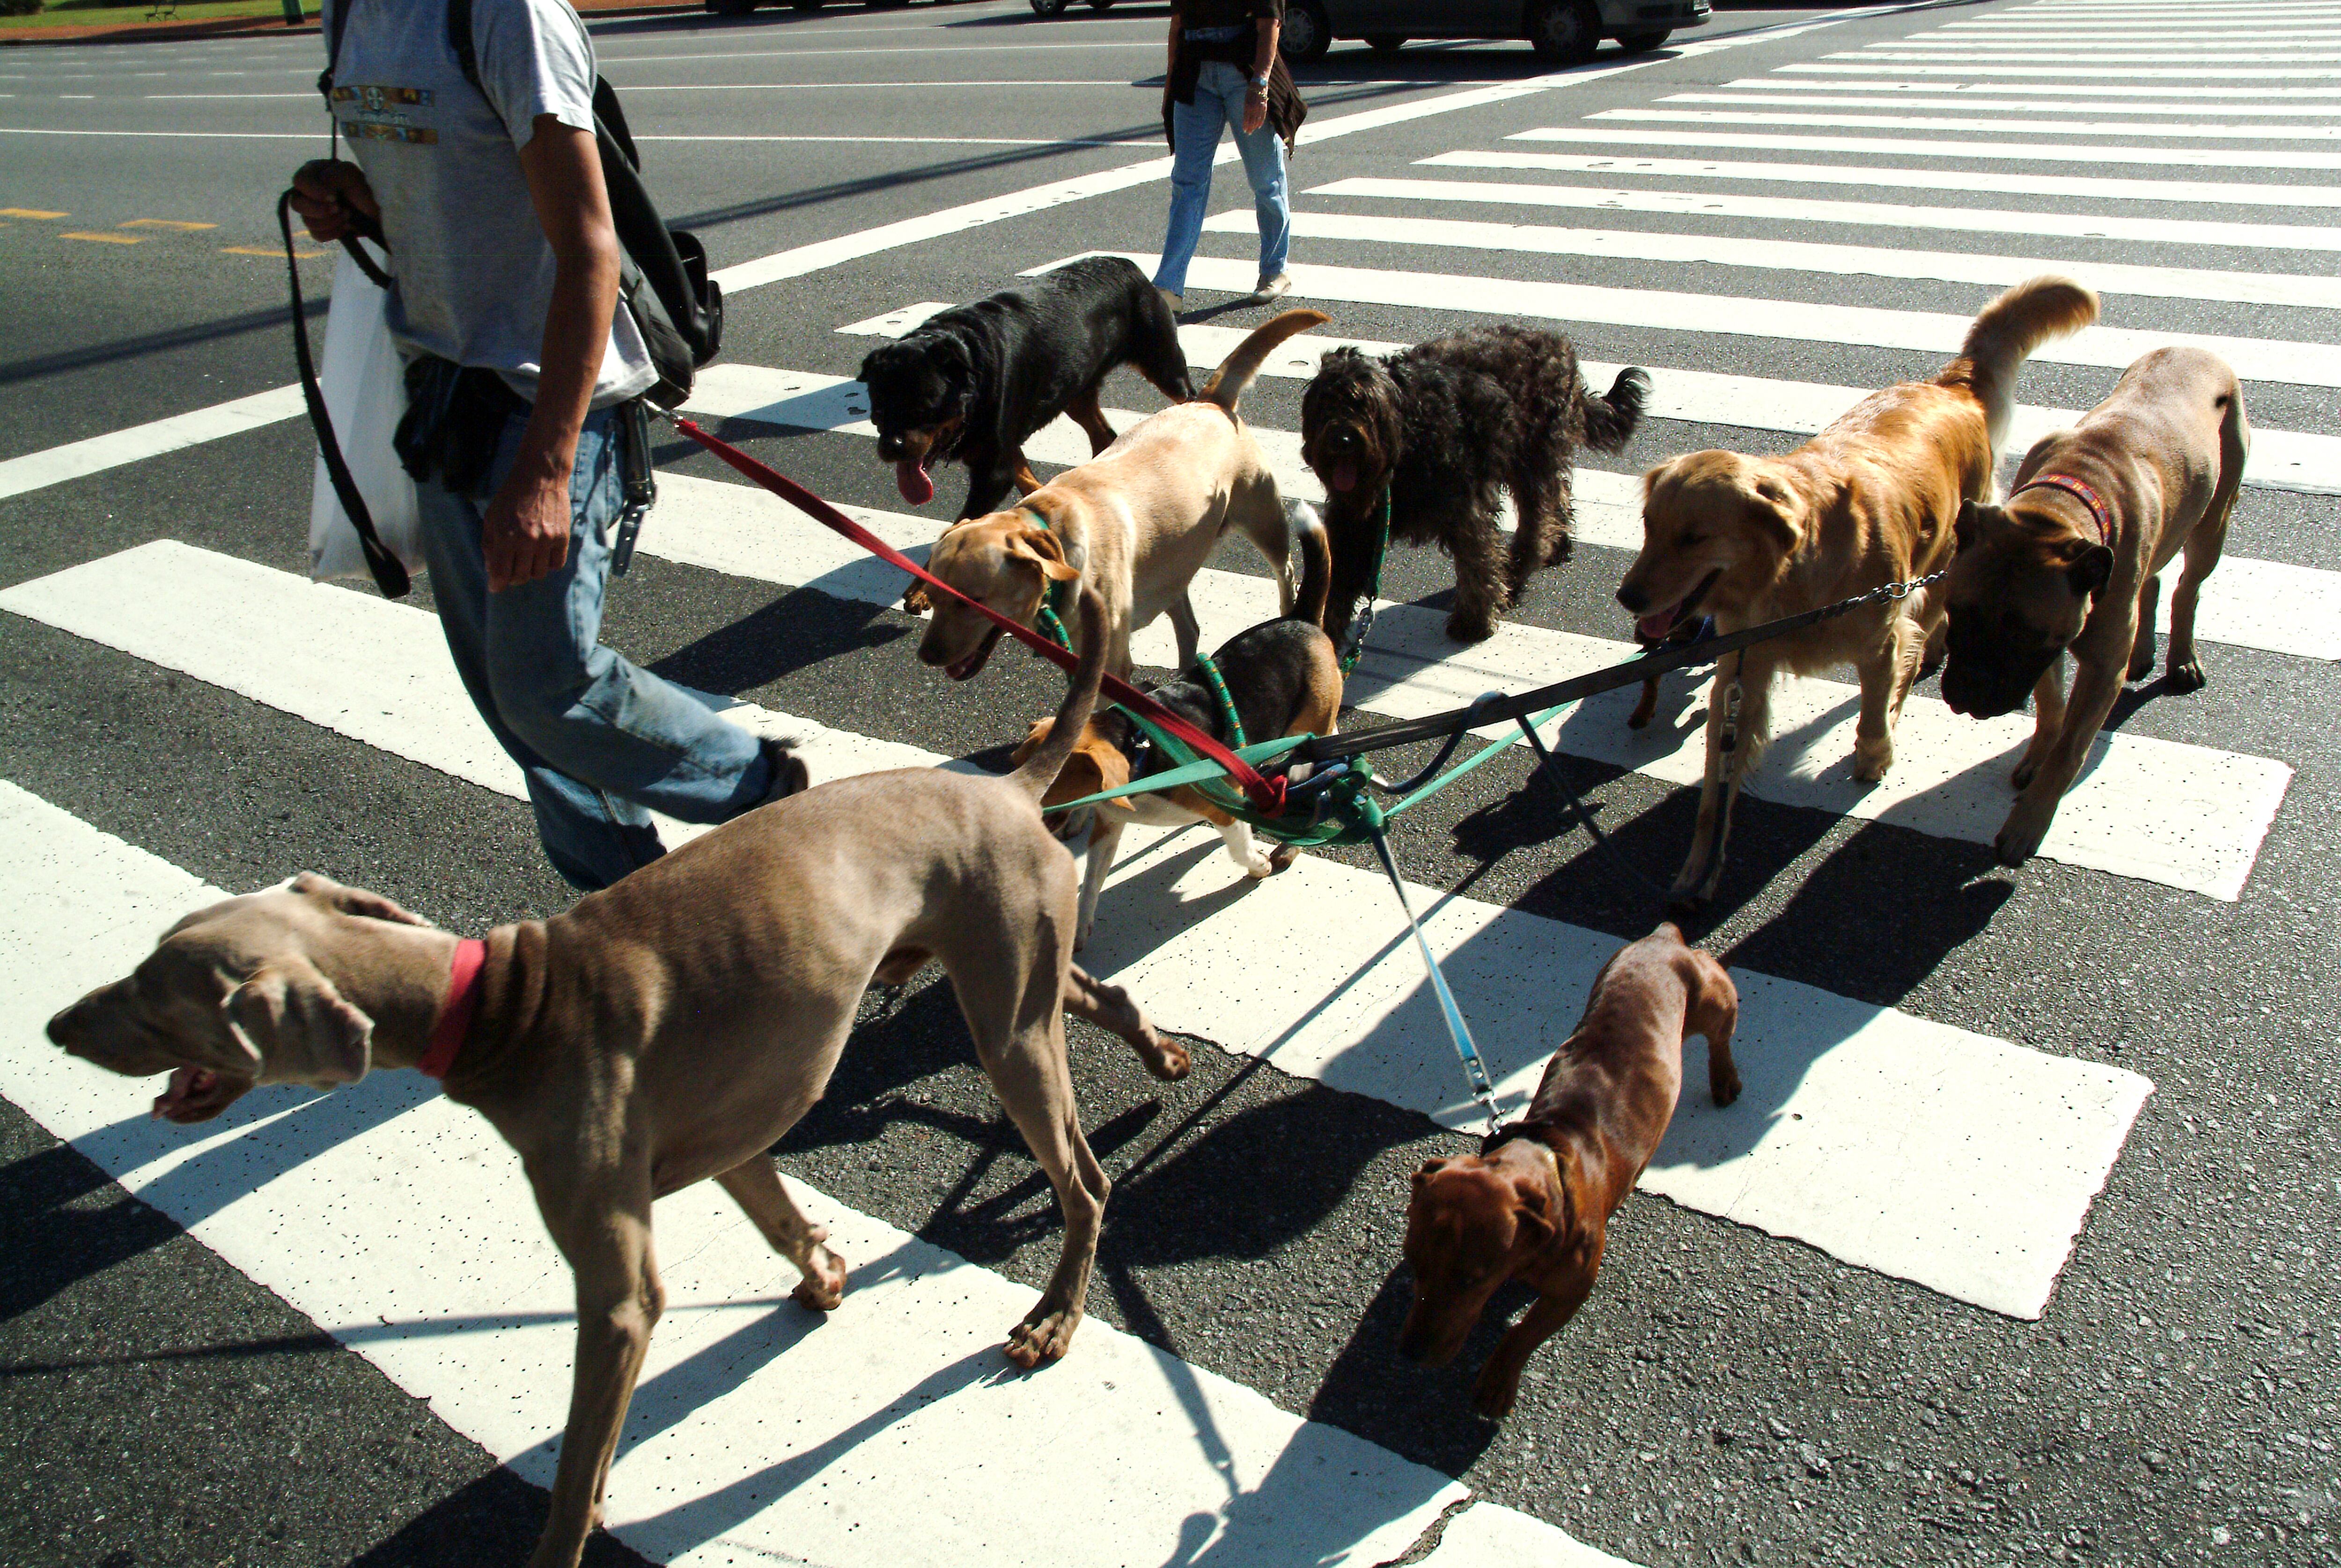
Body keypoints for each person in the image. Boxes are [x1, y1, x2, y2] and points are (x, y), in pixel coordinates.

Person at [291, 0, 802, 894]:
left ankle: (769, 792)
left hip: (552, 395)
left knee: (548, 687)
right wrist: (354, 202)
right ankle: (628, 905)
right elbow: (448, 192)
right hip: (446, 392)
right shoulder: (351, 13)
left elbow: (590, 249)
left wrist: (547, 468)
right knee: (513, 704)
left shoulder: (501, 15)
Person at [1156, 0, 1306, 313]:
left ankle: (1275, 270)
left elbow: (1270, 23)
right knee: (1187, 182)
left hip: (1244, 71)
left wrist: (1261, 85)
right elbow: (1177, 24)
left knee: (1265, 179)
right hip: (1195, 71)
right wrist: (1170, 87)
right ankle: (1169, 286)